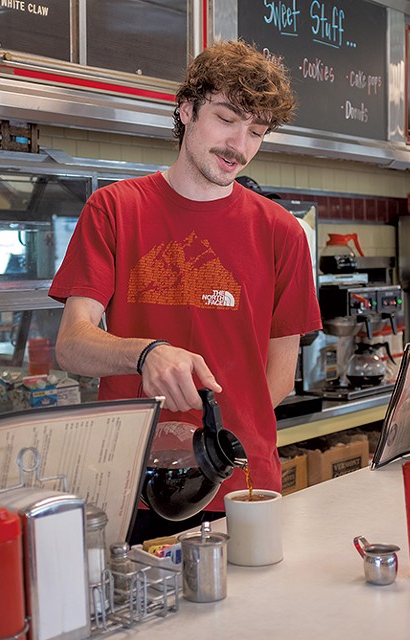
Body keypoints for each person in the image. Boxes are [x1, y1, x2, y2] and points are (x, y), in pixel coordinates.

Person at [48, 40, 322, 543]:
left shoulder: (283, 233)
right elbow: (71, 344)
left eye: (256, 132)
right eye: (226, 118)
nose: (239, 145)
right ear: (186, 109)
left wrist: (211, 450)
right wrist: (144, 354)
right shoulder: (114, 210)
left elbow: (278, 376)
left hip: (240, 485)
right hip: (133, 482)